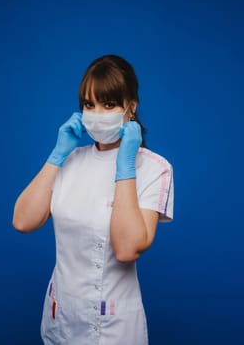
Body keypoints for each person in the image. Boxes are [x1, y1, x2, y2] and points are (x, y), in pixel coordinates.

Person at [12, 54, 174, 345]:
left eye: (109, 104)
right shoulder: (70, 160)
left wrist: (125, 165)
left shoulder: (154, 168)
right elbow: (23, 221)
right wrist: (56, 155)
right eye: (90, 105)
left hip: (114, 325)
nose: (97, 113)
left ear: (131, 108)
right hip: (60, 315)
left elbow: (126, 249)